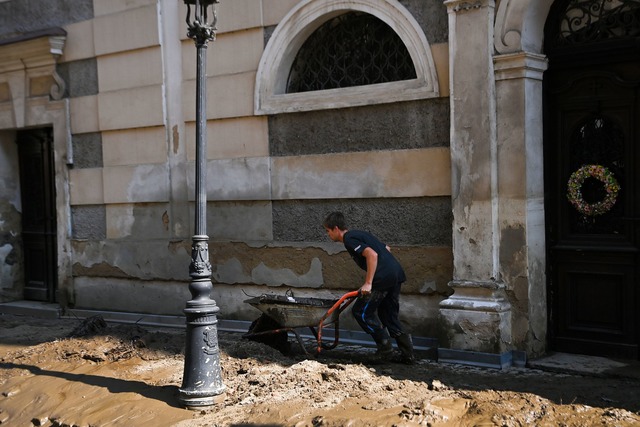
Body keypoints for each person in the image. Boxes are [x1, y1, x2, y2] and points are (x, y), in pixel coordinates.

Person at [323, 211, 415, 364]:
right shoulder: (359, 234)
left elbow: (372, 255)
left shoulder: (349, 239)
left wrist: (369, 282)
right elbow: (386, 248)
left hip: (383, 278)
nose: (328, 235)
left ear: (336, 228)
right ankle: (408, 355)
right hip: (395, 274)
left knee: (361, 312)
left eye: (328, 231)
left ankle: (385, 350)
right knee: (388, 314)